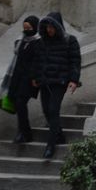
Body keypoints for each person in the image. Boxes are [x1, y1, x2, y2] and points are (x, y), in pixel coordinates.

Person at [33, 12, 81, 159]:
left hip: (60, 82)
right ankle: (59, 135)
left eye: (52, 27)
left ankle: (50, 145)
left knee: (53, 110)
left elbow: (75, 61)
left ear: (58, 26)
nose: (49, 30)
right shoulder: (42, 42)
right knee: (46, 110)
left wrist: (73, 80)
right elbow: (37, 61)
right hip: (45, 82)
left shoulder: (70, 40)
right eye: (47, 27)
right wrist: (35, 77)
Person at [5, 15, 41, 144]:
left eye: (29, 28)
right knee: (17, 103)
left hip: (29, 79)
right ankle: (23, 131)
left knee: (21, 102)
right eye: (25, 28)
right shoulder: (20, 41)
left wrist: (35, 77)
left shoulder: (39, 42)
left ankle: (24, 132)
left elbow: (38, 61)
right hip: (17, 77)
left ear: (35, 27)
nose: (26, 30)